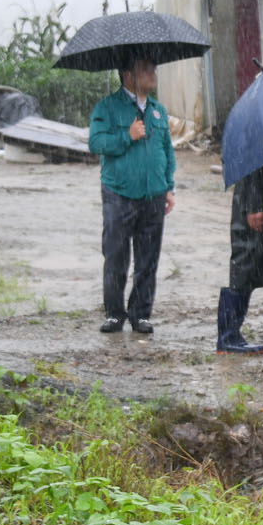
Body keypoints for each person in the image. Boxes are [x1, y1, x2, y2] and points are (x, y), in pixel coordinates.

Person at [87, 55, 174, 335]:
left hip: (154, 195)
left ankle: (141, 313)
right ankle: (115, 314)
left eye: (153, 68)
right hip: (119, 194)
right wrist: (127, 136)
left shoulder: (157, 111)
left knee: (148, 258)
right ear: (128, 75)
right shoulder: (107, 107)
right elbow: (96, 142)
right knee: (116, 255)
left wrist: (168, 186)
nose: (152, 73)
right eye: (145, 69)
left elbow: (166, 150)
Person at [217, 168, 263, 354]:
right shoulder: (250, 149)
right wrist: (253, 204)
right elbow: (250, 168)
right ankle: (228, 336)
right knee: (245, 265)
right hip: (256, 202)